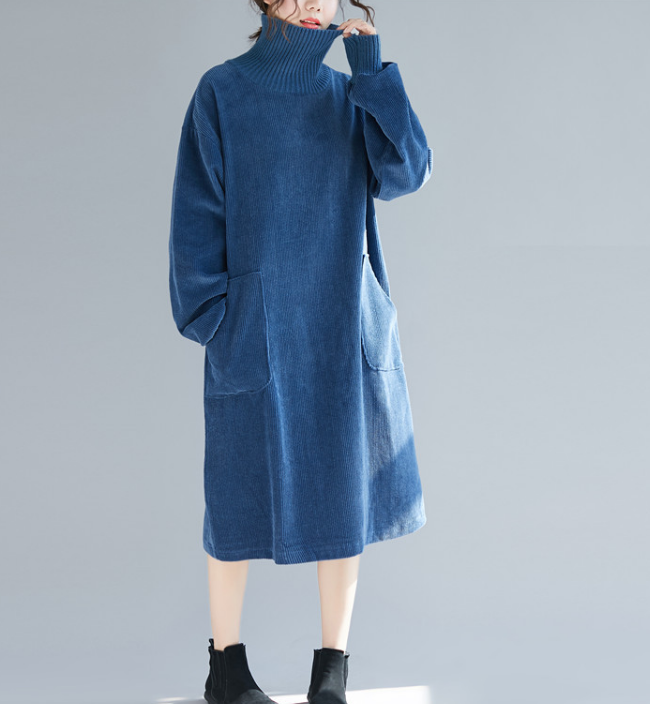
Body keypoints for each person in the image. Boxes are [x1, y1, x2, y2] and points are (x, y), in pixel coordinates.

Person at [168, 1, 433, 702]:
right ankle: (226, 668)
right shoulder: (222, 91)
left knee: (343, 493)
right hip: (258, 331)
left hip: (342, 321)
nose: (318, 2)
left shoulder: (350, 93)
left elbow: (408, 171)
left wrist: (373, 75)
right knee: (233, 498)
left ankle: (332, 672)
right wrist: (215, 319)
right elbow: (196, 217)